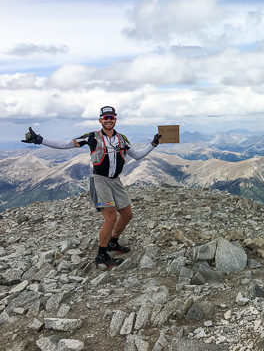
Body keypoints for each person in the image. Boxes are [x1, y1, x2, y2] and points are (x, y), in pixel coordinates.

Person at [22, 106, 161, 268]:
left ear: (115, 119)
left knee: (127, 214)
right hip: (100, 180)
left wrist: (153, 144)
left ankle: (113, 243)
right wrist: (40, 140)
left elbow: (137, 155)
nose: (109, 120)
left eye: (111, 118)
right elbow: (66, 144)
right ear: (100, 120)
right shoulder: (92, 137)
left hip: (116, 181)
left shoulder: (122, 139)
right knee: (110, 218)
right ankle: (101, 256)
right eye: (105, 118)